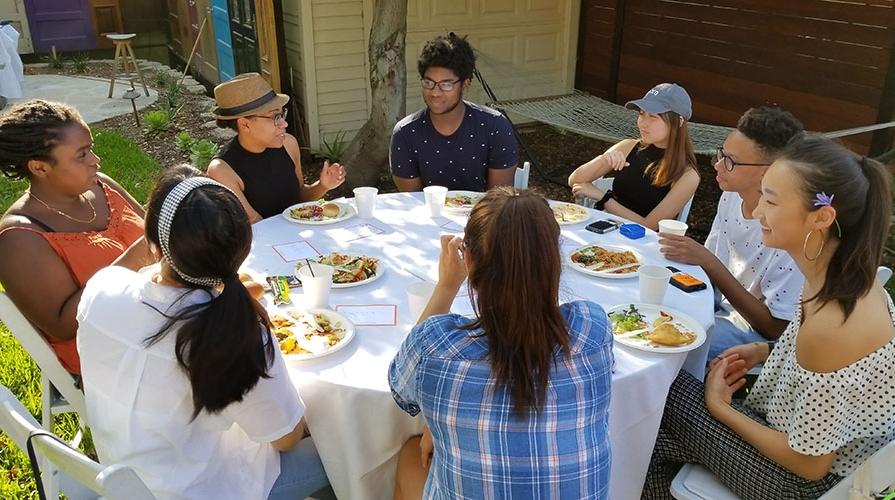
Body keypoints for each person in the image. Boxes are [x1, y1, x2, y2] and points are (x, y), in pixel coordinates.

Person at [642, 136, 895, 499]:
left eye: (771, 200)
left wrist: (719, 408)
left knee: (665, 396)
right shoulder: (845, 280)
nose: (757, 211)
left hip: (812, 485)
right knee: (657, 427)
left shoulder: (831, 322)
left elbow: (811, 464)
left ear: (822, 217)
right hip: (805, 444)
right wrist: (764, 350)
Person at [77, 166, 330, 499]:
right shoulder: (235, 332)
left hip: (126, 475)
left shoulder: (101, 290)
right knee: (344, 448)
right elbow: (286, 437)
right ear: (241, 251)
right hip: (211, 489)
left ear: (151, 240)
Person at [389, 188, 613, 499]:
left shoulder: (435, 346)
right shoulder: (594, 329)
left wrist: (446, 286)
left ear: (468, 259)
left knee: (411, 456)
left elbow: (402, 388)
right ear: (555, 256)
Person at [0, 99, 151, 375]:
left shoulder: (103, 186)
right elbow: (61, 324)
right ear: (40, 168)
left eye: (90, 149)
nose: (95, 160)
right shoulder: (20, 237)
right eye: (81, 155)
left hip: (164, 316)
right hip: (112, 356)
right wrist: (135, 258)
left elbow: (156, 234)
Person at [658, 107, 805, 361]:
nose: (717, 165)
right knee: (645, 309)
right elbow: (711, 270)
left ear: (769, 170)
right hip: (715, 300)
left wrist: (707, 261)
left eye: (731, 161)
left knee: (673, 344)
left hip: (755, 332)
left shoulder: (789, 230)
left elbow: (774, 328)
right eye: (721, 154)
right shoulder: (731, 197)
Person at [208, 72, 345, 223]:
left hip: (300, 238)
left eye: (281, 115)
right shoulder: (222, 170)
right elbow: (256, 225)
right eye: (275, 117)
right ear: (245, 124)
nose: (284, 124)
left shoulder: (288, 144)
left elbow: (299, 200)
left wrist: (323, 185)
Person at [390, 33, 518, 192]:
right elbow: (413, 203)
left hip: (483, 215)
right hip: (425, 215)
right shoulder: (406, 133)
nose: (435, 92)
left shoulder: (495, 126)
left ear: (465, 84)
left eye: (446, 85)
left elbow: (499, 200)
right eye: (428, 82)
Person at [567, 83, 699, 230]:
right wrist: (604, 159)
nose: (643, 122)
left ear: (679, 122)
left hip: (639, 243)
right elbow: (574, 180)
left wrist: (603, 198)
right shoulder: (628, 146)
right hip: (603, 229)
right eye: (641, 113)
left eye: (653, 116)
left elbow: (649, 225)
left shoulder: (688, 175)